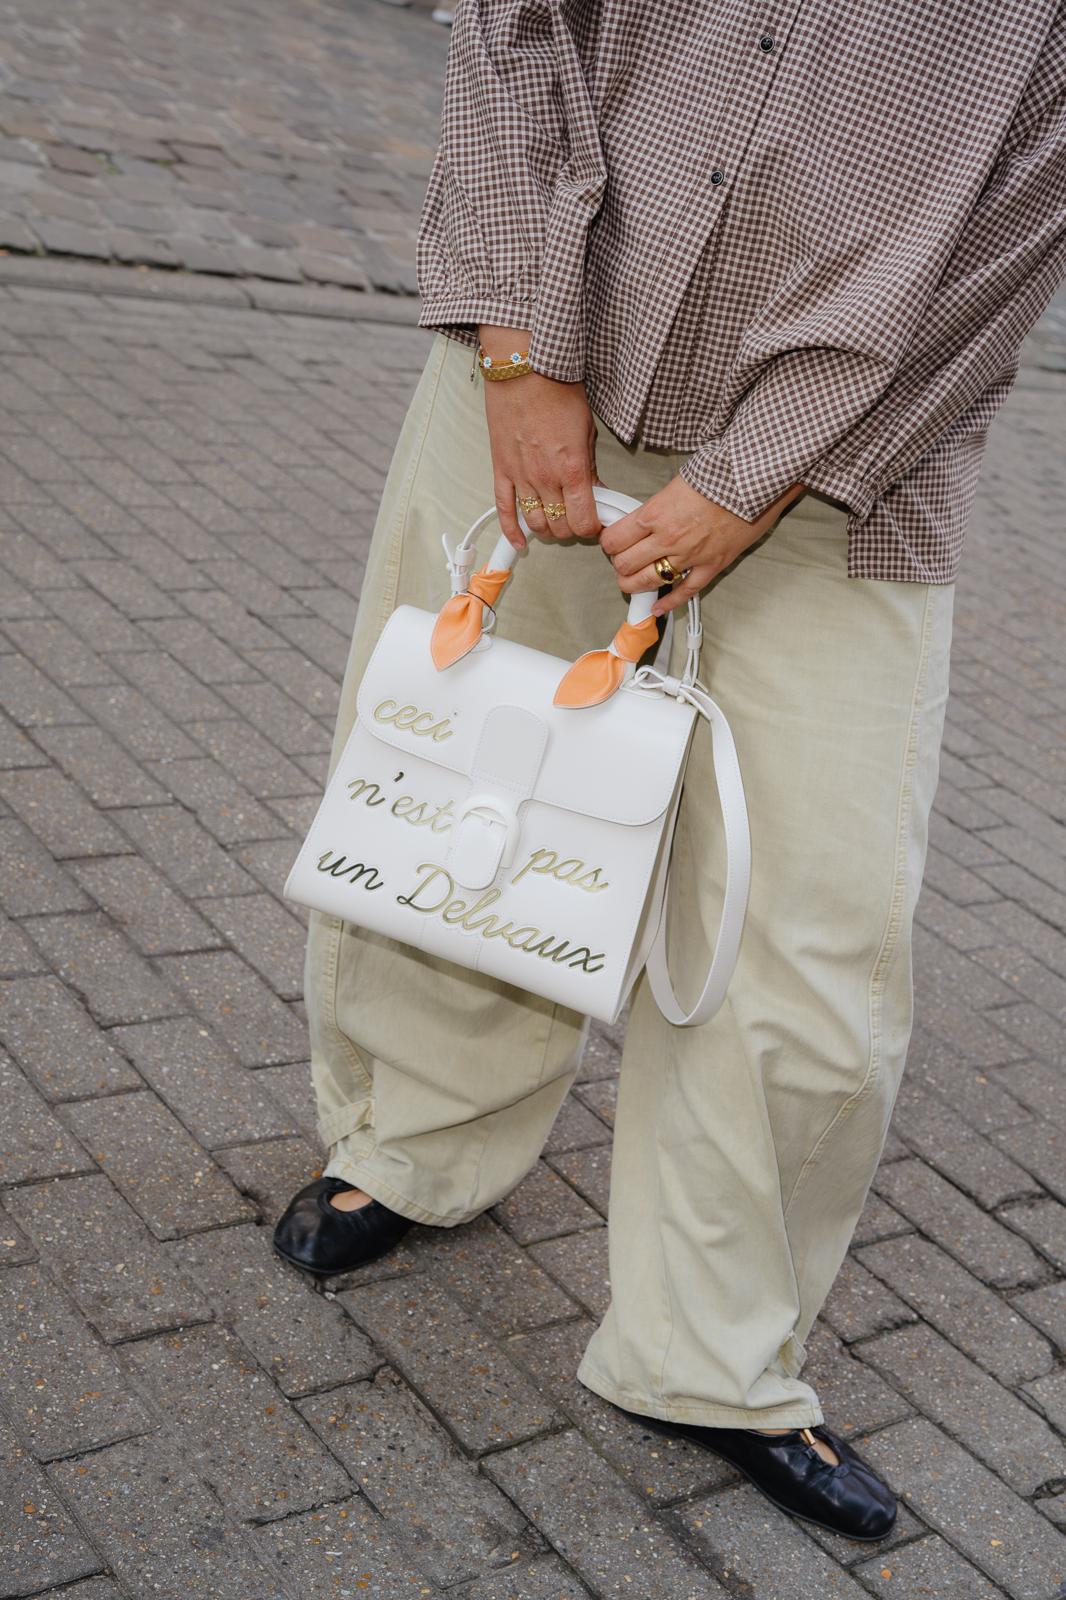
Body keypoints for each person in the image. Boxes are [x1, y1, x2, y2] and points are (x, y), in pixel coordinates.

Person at [276, 0, 1066, 1542]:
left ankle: (707, 1357)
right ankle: (416, 1143)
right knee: (461, 793)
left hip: (850, 466)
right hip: (540, 378)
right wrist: (518, 356)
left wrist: (752, 473)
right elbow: (514, 32)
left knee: (810, 927)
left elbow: (1020, 213)